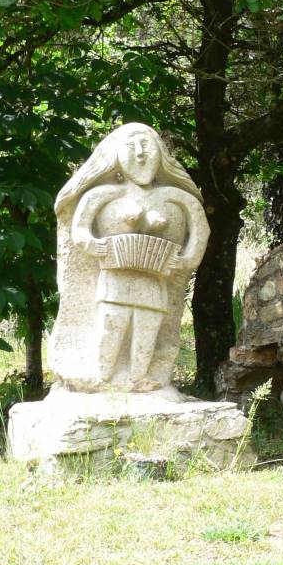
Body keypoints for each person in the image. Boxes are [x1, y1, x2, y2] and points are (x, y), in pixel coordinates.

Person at [53, 123, 209, 391]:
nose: (140, 153)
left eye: (147, 145)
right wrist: (93, 245)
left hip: (153, 281)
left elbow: (201, 229)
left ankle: (139, 377)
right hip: (114, 279)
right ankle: (102, 376)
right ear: (113, 154)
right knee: (111, 325)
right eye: (130, 146)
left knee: (148, 328)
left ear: (161, 154)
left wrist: (186, 260)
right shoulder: (102, 194)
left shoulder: (176, 197)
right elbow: (79, 229)